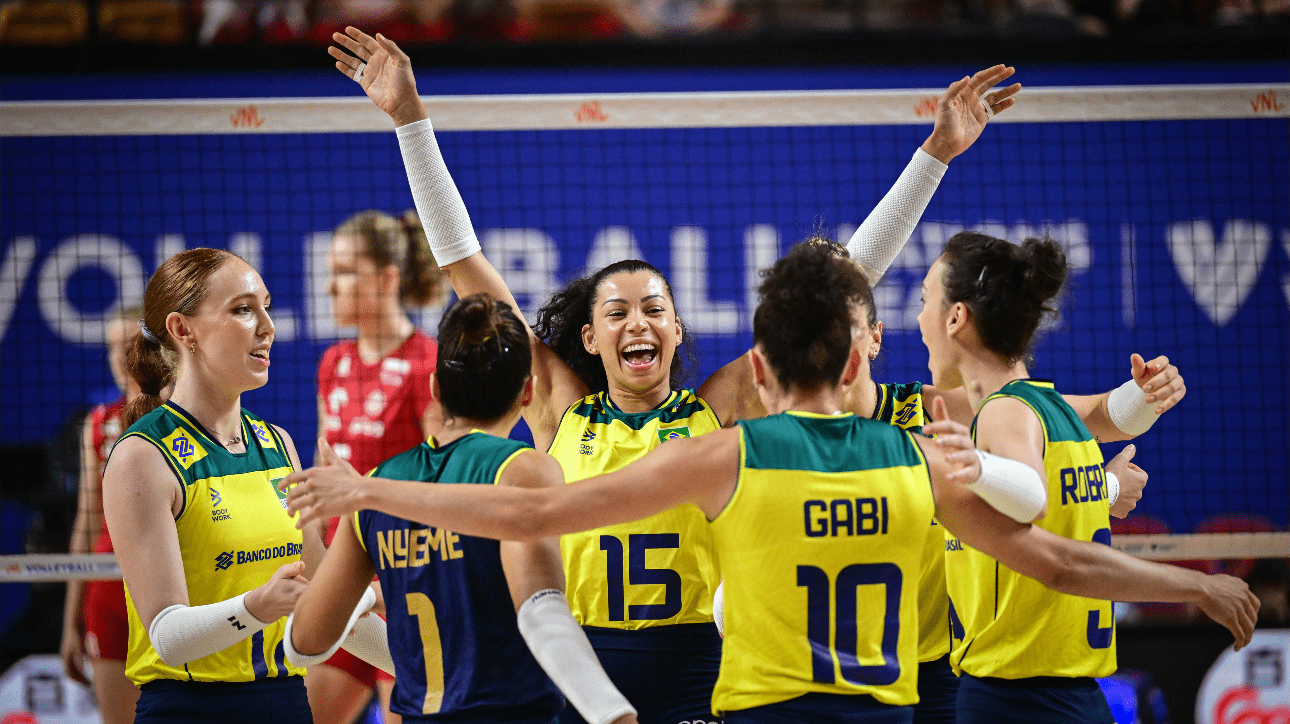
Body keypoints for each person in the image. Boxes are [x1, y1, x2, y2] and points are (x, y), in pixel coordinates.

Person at [327, 25, 1019, 722]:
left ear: (677, 329)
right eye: (619, 312)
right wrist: (410, 120)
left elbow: (834, 290)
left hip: (699, 665)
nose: (638, 323)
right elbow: (462, 266)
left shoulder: (712, 414)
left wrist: (934, 154)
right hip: (586, 661)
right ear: (591, 337)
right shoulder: (562, 409)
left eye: (655, 309)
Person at [280, 242, 1259, 722]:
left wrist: (371, 493)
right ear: (851, 361)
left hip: (746, 704)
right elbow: (1049, 548)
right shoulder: (914, 450)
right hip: (888, 707)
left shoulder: (727, 453)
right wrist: (1191, 579)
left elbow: (533, 508)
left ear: (759, 369)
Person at [701, 238, 1179, 723]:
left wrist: (1143, 396)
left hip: (939, 673)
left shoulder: (937, 411)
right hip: (828, 679)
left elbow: (1080, 420)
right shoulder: (772, 447)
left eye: (839, 328)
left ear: (873, 337)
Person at [913, 231, 1251, 722]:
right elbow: (1090, 441)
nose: (919, 319)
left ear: (956, 316)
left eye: (925, 300)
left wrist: (975, 468)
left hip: (1014, 698)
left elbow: (1041, 518)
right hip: (1077, 695)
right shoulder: (1055, 414)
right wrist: (1114, 470)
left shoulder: (1004, 416)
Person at [287, 292, 639, 724]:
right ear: (528, 393)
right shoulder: (523, 470)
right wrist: (613, 713)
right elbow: (541, 610)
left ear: (435, 388)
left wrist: (371, 594)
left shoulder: (376, 484)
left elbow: (304, 641)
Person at [101, 247, 342, 723]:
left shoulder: (279, 445)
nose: (267, 326)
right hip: (190, 709)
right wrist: (257, 606)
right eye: (242, 309)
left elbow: (322, 599)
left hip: (288, 702)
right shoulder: (142, 458)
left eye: (266, 306)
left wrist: (428, 672)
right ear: (182, 329)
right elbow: (168, 637)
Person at [313, 209, 449, 724]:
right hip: (340, 575)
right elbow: (321, 471)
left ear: (387, 278)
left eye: (346, 271)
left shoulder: (427, 364)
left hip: (407, 581)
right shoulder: (333, 364)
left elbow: (445, 480)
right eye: (332, 271)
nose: (331, 286)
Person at [60, 306, 147, 724]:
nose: (117, 357)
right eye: (112, 347)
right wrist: (69, 622)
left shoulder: (181, 419)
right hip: (107, 591)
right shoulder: (99, 424)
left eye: (128, 345)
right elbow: (87, 521)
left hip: (167, 590)